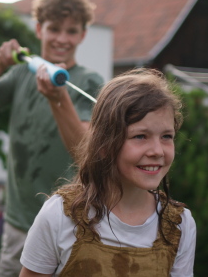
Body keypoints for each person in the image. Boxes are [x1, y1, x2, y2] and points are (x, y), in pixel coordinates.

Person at [0, 0, 104, 276]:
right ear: (39, 29)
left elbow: (83, 150)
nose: (62, 38)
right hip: (19, 222)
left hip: (69, 223)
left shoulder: (90, 81)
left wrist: (57, 98)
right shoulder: (21, 74)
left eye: (72, 31)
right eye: (54, 29)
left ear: (83, 35)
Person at [20, 68, 196, 277]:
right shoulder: (60, 216)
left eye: (166, 136)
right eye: (140, 136)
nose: (157, 151)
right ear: (103, 145)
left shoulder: (179, 226)